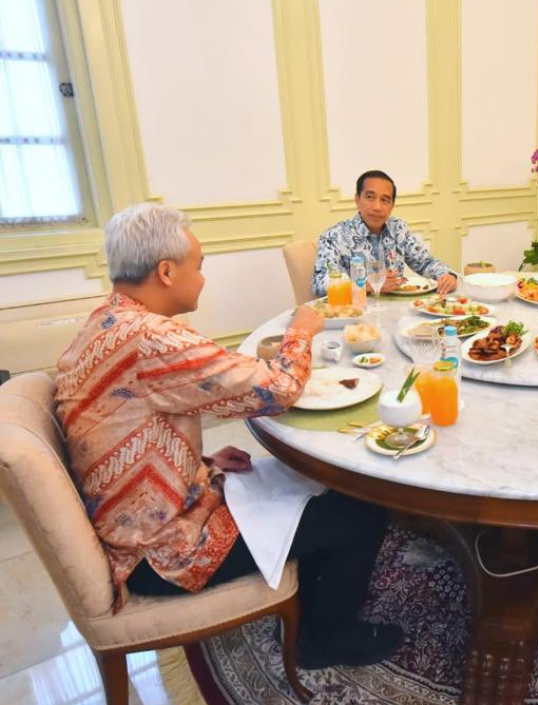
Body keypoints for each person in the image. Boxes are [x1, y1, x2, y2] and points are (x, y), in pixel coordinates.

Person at [55, 203, 402, 668]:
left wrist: (203, 464)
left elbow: (126, 426)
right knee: (360, 510)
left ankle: (314, 596)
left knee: (305, 485)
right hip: (162, 552)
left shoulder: (107, 320)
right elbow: (276, 389)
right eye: (198, 267)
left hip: (137, 519)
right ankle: (323, 639)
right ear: (165, 271)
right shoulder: (150, 338)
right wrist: (301, 331)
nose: (202, 278)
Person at [311, 169, 457, 296]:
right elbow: (319, 284)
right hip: (355, 317)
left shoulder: (398, 229)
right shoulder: (334, 236)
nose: (377, 207)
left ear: (392, 205)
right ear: (357, 199)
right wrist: (366, 285)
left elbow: (425, 263)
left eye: (385, 200)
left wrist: (447, 276)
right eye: (370, 197)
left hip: (396, 314)